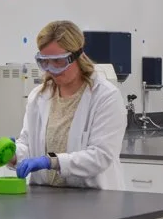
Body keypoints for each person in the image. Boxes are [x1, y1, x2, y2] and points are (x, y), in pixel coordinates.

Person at [10, 20, 127, 190]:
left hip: (93, 197)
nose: (51, 69)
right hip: (46, 197)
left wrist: (52, 161)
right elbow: (28, 145)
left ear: (77, 56)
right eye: (45, 62)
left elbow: (100, 156)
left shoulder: (105, 96)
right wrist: (12, 155)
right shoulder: (38, 96)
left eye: (59, 61)